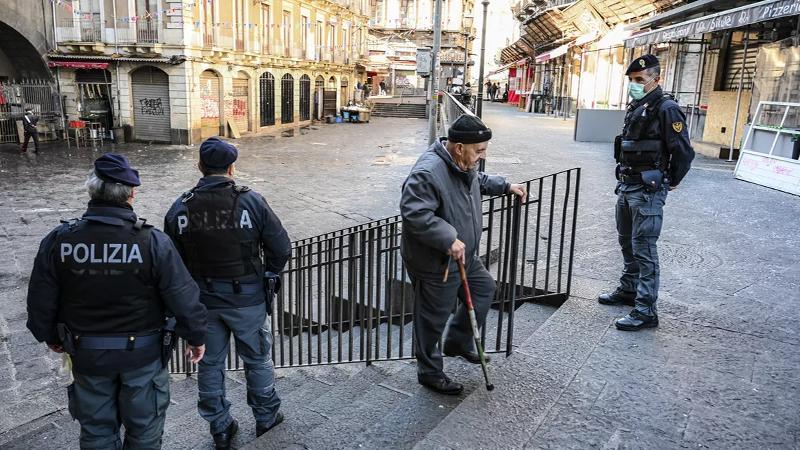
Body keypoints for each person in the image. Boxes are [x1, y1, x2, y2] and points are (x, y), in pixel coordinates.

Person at [26, 153, 208, 449]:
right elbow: (183, 297)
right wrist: (196, 337)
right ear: (131, 194)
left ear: (91, 191)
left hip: (87, 355)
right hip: (143, 357)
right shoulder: (153, 242)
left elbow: (40, 298)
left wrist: (49, 336)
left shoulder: (61, 240)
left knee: (97, 431)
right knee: (145, 430)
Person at [164, 137, 292, 450]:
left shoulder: (180, 207)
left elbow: (171, 265)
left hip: (202, 304)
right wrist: (268, 275)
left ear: (200, 167)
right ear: (231, 168)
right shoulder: (252, 201)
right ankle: (265, 418)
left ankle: (220, 428)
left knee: (209, 364)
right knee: (257, 360)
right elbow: (281, 248)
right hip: (247, 299)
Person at [400, 115, 527, 395]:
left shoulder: (461, 162)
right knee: (432, 320)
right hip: (438, 264)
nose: (482, 156)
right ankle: (430, 372)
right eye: (479, 151)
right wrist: (447, 237)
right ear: (459, 147)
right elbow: (414, 213)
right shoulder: (428, 172)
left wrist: (504, 185)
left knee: (485, 289)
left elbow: (475, 180)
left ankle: (458, 341)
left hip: (464, 257)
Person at [598, 54, 694, 331]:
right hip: (628, 185)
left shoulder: (667, 108)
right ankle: (628, 290)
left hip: (648, 189)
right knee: (627, 242)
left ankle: (646, 310)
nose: (634, 85)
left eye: (639, 80)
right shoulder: (638, 105)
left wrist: (671, 180)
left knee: (645, 250)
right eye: (631, 80)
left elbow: (684, 151)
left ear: (656, 79)